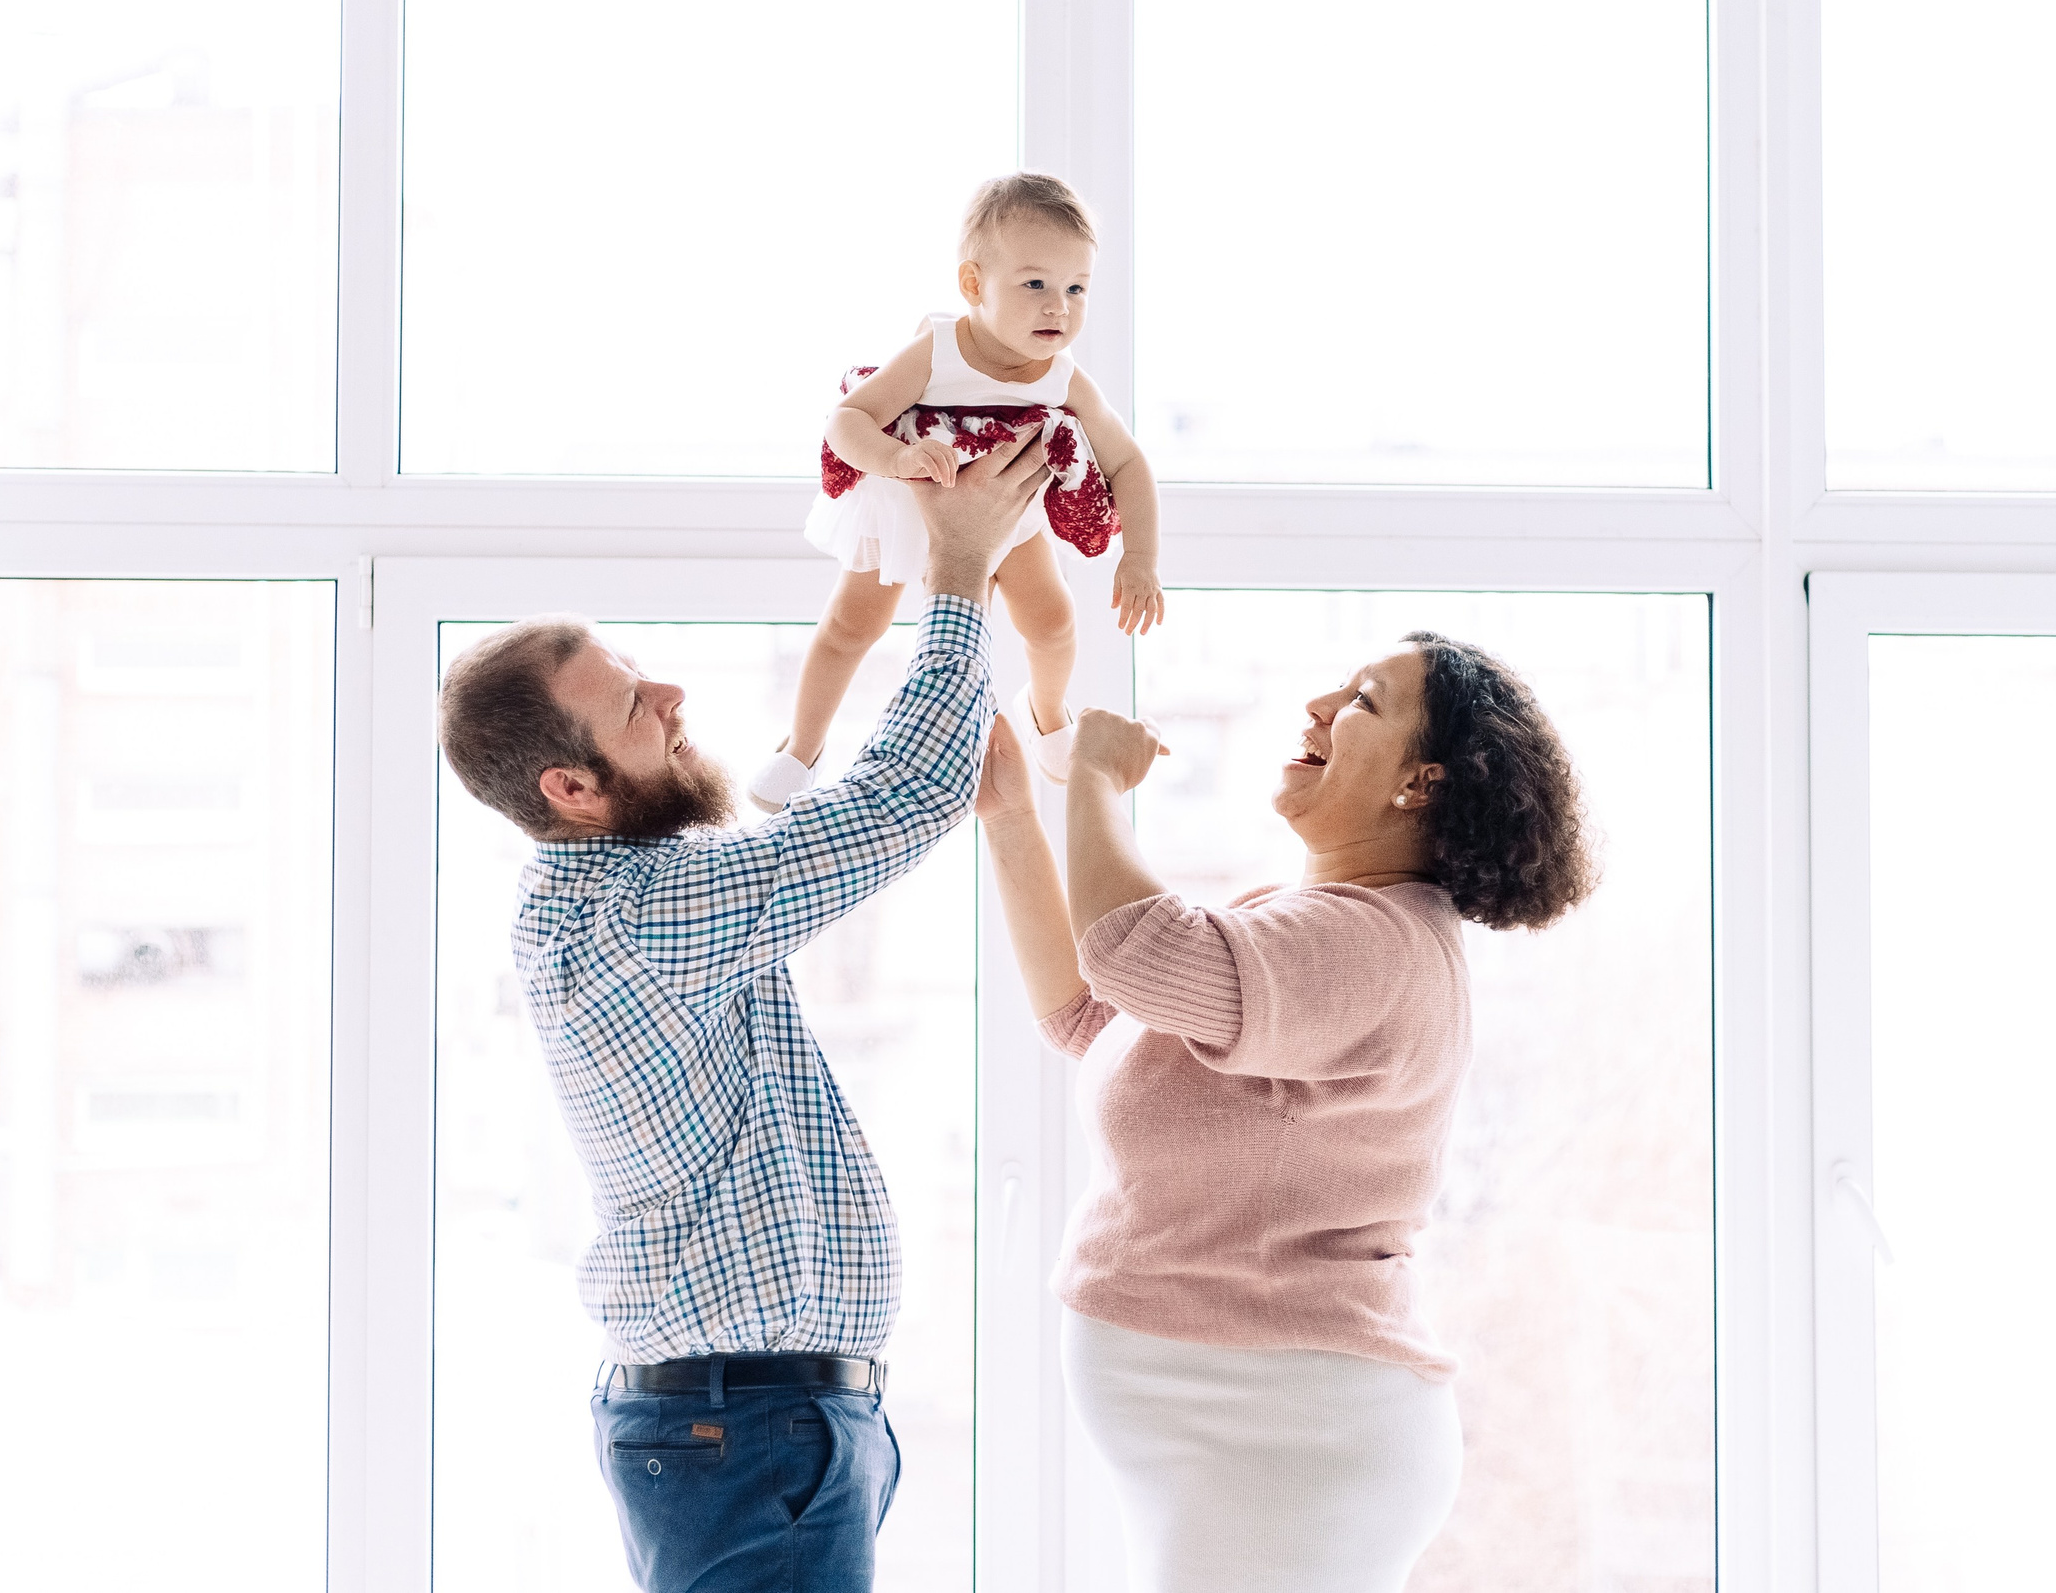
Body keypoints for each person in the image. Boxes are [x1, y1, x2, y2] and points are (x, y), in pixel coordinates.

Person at [432, 429, 1052, 1593]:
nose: (668, 695)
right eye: (628, 704)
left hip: (764, 1424)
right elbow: (905, 799)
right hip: (750, 1429)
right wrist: (959, 577)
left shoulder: (630, 899)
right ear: (569, 789)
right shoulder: (639, 914)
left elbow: (814, 835)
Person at [974, 635, 1598, 1593]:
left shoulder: (1373, 944)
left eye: (1362, 699)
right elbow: (1092, 1017)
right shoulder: (1318, 920)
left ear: (1418, 783)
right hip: (1240, 1425)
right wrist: (1016, 817)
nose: (1315, 703)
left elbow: (1132, 951)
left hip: (1287, 1433)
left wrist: (1095, 780)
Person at [752, 171, 1165, 811]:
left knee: (1053, 624)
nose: (1059, 306)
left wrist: (1139, 557)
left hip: (1009, 515)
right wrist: (900, 456)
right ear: (973, 286)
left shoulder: (1062, 377)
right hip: (906, 502)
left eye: (1076, 287)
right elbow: (848, 421)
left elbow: (1128, 463)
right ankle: (801, 746)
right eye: (1035, 284)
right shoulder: (937, 350)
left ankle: (1048, 711)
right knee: (850, 626)